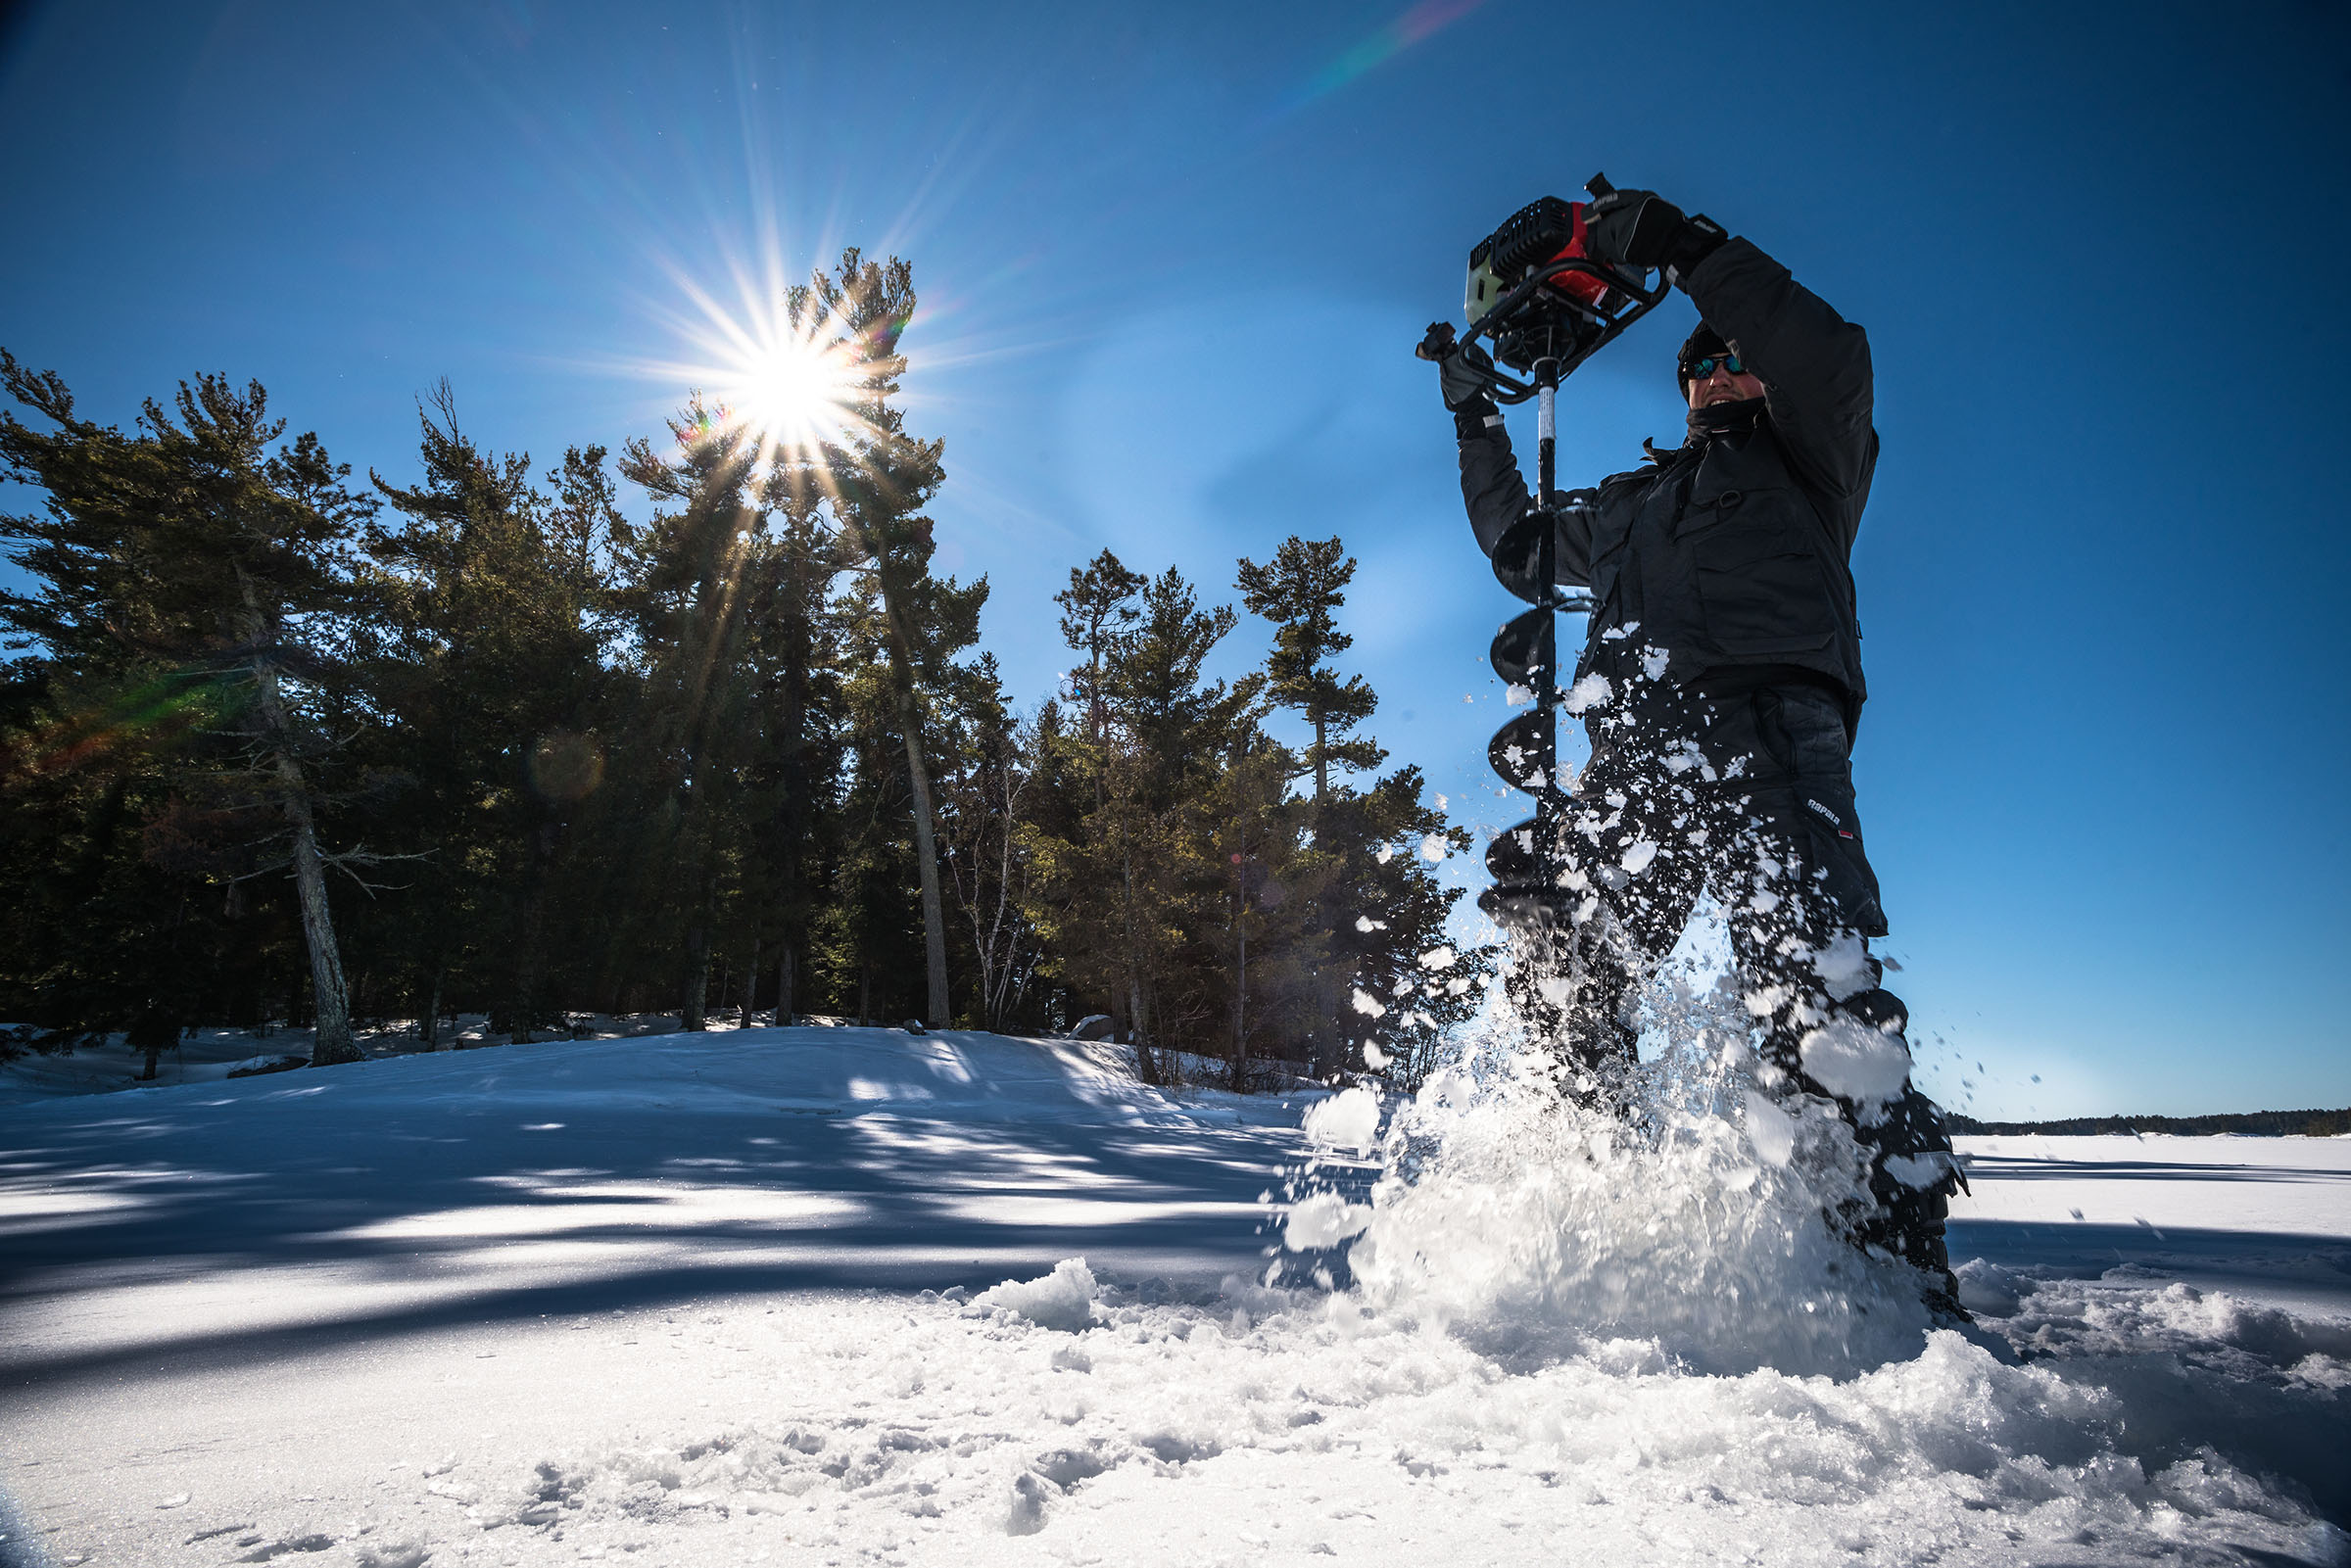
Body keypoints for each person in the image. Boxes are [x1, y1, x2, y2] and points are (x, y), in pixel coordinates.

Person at [1433, 186, 1965, 1314]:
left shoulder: (1816, 464)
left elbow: (1830, 353)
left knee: (1815, 1000)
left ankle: (1892, 1287)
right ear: (1680, 390)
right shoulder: (1631, 503)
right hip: (1640, 762)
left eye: (1736, 358)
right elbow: (1521, 549)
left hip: (1776, 732)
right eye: (1701, 364)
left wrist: (1686, 250)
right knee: (1571, 971)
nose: (1720, 372)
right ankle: (1585, 1232)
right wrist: (1476, 419)